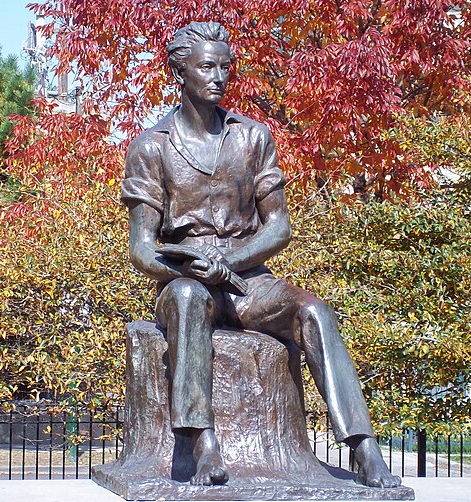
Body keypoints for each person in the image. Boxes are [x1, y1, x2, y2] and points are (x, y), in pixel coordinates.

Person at [122, 21, 401, 489]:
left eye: (225, 67)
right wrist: (188, 266)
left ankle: (363, 447)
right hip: (185, 279)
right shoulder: (151, 147)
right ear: (180, 72)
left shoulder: (253, 138)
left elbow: (279, 227)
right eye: (206, 67)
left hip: (248, 279)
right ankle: (203, 444)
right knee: (188, 299)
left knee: (315, 312)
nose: (218, 77)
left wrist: (231, 263)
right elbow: (141, 247)